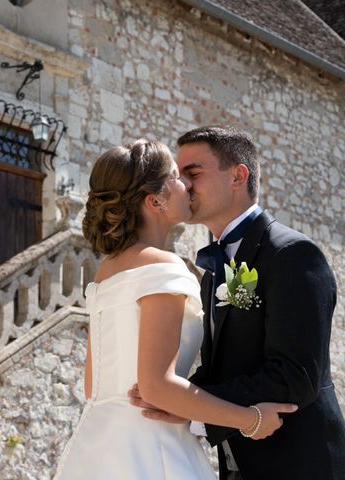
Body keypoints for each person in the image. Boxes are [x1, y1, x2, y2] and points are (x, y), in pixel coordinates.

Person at [54, 139, 296, 480]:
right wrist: (251, 419)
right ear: (156, 200)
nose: (187, 184)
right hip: (152, 447)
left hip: (99, 444)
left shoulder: (107, 269)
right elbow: (157, 388)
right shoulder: (164, 266)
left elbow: (94, 386)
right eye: (176, 176)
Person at [129, 126, 345, 479]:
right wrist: (176, 398)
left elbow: (295, 375)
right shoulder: (213, 268)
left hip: (303, 465)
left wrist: (198, 411)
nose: (185, 185)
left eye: (193, 173)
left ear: (238, 176)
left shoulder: (293, 254)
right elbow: (227, 367)